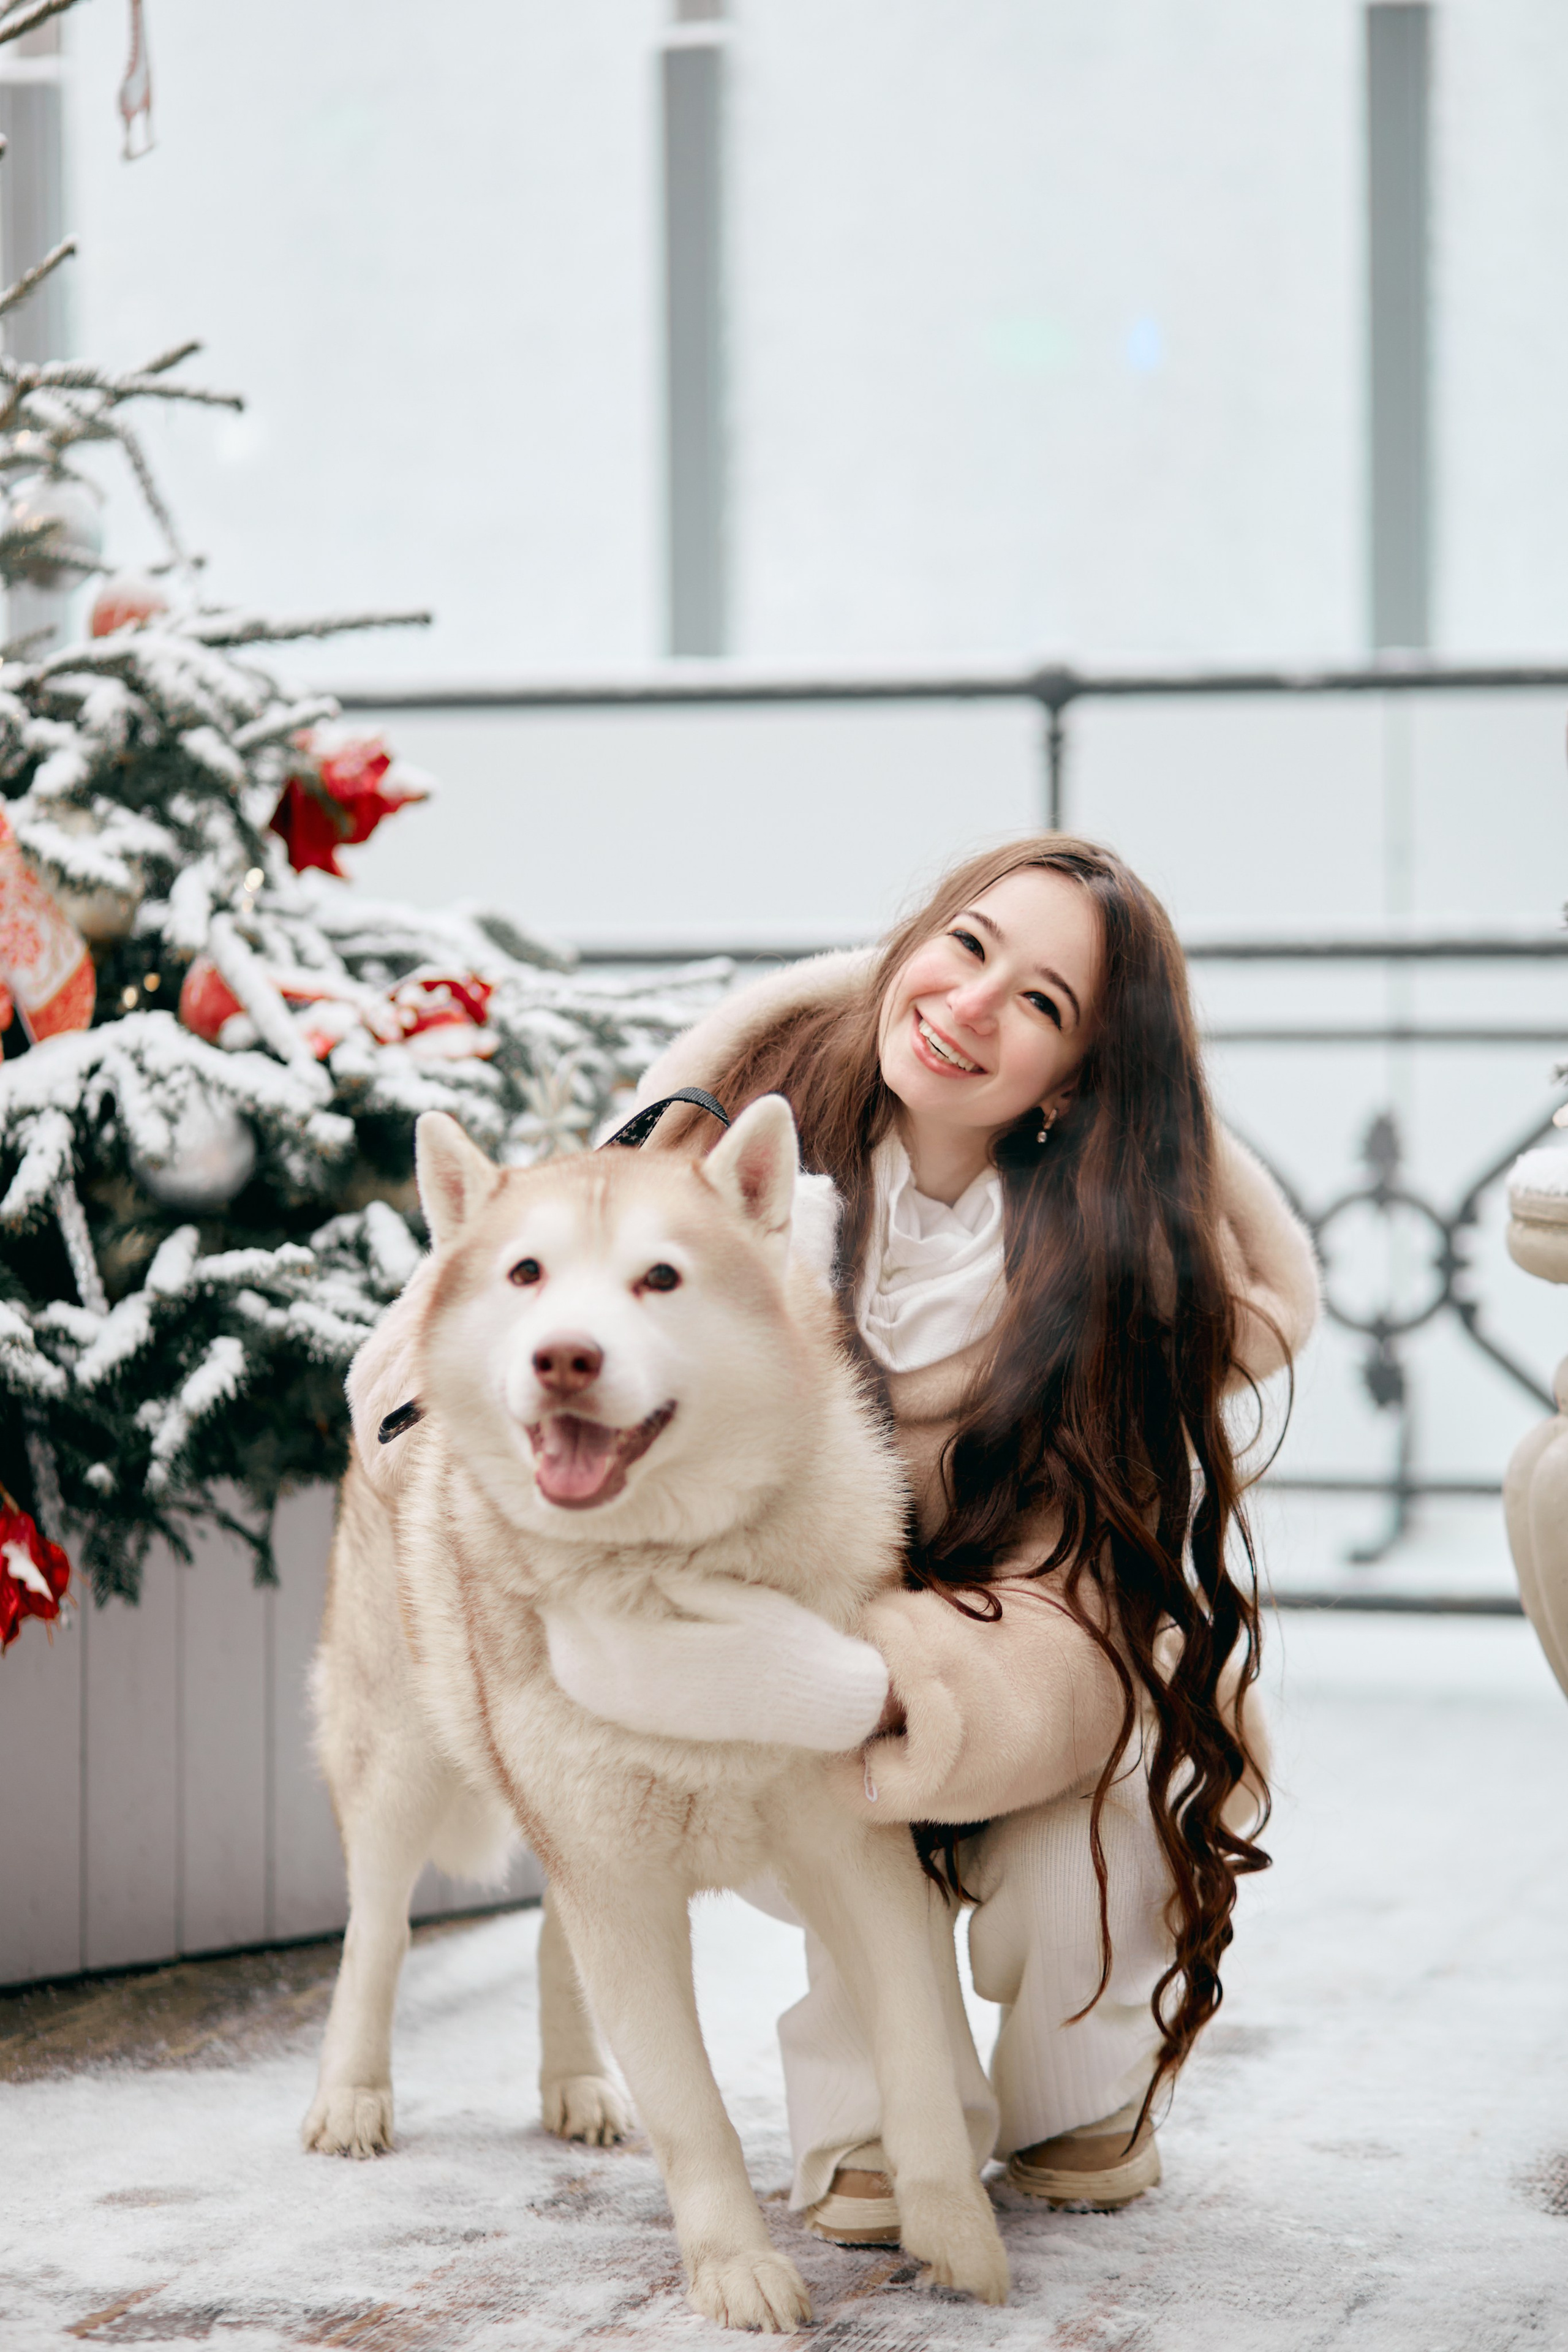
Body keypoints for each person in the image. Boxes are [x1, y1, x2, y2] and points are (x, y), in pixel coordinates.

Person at [351, 832, 1317, 2242]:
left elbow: (1080, 1616)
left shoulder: (1111, 1288)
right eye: (968, 946)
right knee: (826, 1855)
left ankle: (1079, 2082)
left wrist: (850, 1677)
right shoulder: (723, 1149)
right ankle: (869, 2103)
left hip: (1030, 1689)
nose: (973, 1006)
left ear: (1073, 1082)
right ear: (912, 937)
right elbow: (471, 1319)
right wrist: (451, 1418)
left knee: (1074, 1868)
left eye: (1041, 1005)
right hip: (761, 1709)